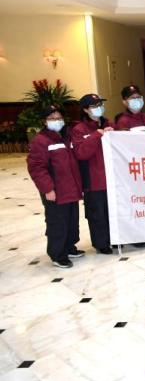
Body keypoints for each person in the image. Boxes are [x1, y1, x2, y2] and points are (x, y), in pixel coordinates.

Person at [27, 105, 84, 268]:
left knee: (72, 220)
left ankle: (69, 247)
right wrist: (48, 189)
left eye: (58, 118)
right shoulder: (40, 141)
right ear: (44, 121)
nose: (56, 121)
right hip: (55, 190)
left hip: (70, 188)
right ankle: (57, 254)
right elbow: (37, 167)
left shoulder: (66, 136)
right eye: (52, 118)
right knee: (57, 222)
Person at [71, 94, 114, 255]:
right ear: (85, 110)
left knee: (112, 211)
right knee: (97, 213)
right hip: (93, 179)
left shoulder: (108, 123)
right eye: (94, 106)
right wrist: (97, 135)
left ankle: (114, 239)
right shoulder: (79, 130)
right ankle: (101, 243)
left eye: (99, 105)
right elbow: (81, 153)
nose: (99, 108)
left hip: (111, 177)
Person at [114, 85, 145, 249]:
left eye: (138, 97)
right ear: (124, 101)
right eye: (132, 98)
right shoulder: (123, 121)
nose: (137, 101)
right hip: (132, 169)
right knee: (134, 203)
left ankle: (144, 231)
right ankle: (134, 235)